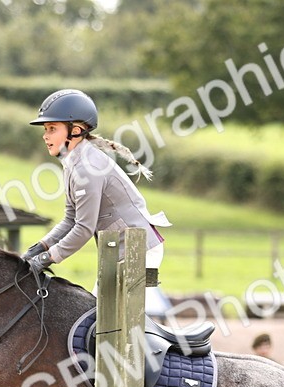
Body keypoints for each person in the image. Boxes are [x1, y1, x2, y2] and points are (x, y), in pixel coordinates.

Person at [21, 89, 172, 318]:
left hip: (138, 251)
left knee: (103, 320)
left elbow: (83, 228)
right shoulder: (73, 162)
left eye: (52, 129)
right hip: (118, 250)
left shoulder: (86, 167)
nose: (45, 135)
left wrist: (48, 258)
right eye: (45, 129)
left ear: (76, 130)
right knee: (98, 318)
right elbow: (70, 219)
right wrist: (40, 247)